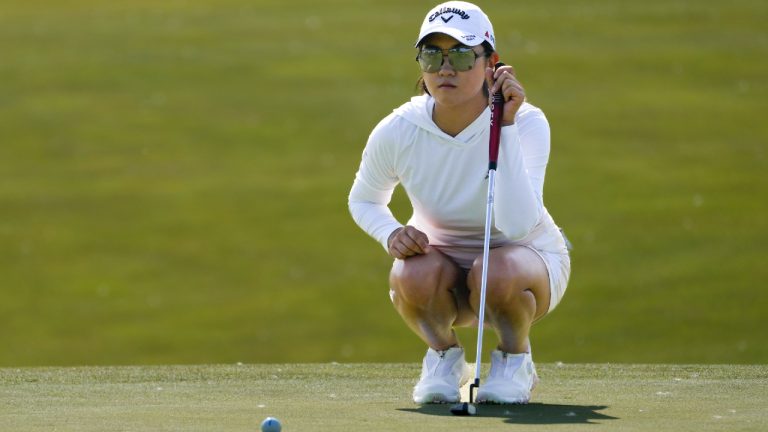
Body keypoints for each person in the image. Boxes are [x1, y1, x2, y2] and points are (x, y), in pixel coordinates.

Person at [348, 1, 571, 405]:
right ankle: (445, 359)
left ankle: (514, 360)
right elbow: (364, 199)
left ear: (491, 64)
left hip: (524, 266)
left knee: (495, 269)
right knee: (408, 274)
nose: (445, 68)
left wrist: (503, 126)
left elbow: (517, 225)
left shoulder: (527, 123)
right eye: (433, 55)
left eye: (463, 54)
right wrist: (391, 233)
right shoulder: (399, 129)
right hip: (442, 271)